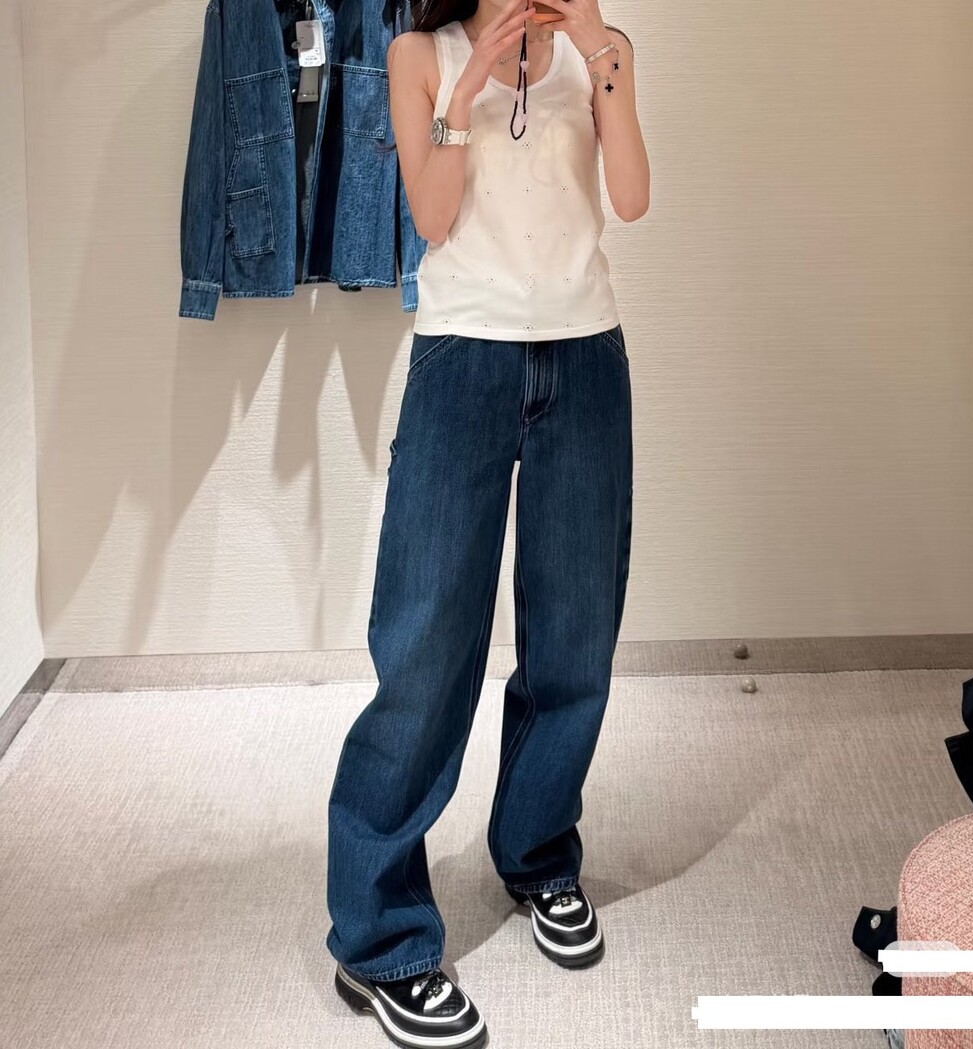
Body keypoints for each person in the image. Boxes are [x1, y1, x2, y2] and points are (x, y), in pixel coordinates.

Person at [326, 0, 649, 1045]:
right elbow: (429, 216)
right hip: (463, 358)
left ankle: (539, 854)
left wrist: (597, 47)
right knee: (424, 648)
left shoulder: (602, 52)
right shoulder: (419, 52)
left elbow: (632, 197)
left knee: (574, 641)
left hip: (586, 358)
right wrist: (466, 91)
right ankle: (378, 936)